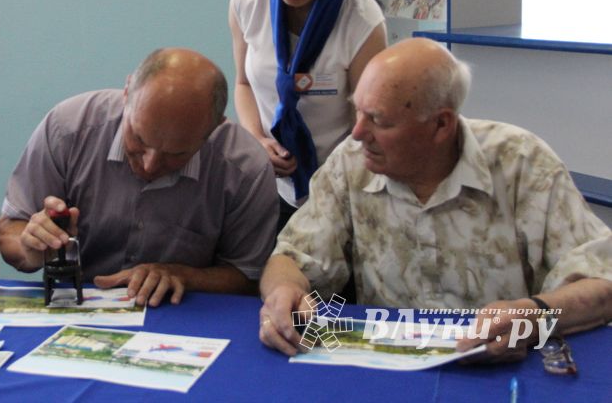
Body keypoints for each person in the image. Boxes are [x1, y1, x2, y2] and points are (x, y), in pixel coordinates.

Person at [258, 38, 612, 362]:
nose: (357, 133)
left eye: (377, 119)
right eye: (358, 112)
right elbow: (290, 258)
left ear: (441, 125)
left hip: (507, 366)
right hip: (389, 365)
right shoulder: (350, 164)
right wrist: (284, 291)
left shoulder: (522, 164)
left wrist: (534, 315)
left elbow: (602, 283)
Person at [0, 48, 278, 307]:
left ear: (215, 127)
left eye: (176, 154)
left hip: (185, 312)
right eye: (139, 139)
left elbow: (247, 278)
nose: (150, 164)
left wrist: (181, 275)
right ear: (127, 92)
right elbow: (10, 229)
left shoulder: (245, 168)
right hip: (76, 303)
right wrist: (30, 247)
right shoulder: (68, 130)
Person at [229, 0, 386, 229]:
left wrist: (333, 183)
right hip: (270, 187)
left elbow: (371, 120)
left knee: (324, 287)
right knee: (277, 280)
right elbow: (242, 83)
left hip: (341, 189)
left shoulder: (361, 20)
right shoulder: (246, 0)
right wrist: (256, 139)